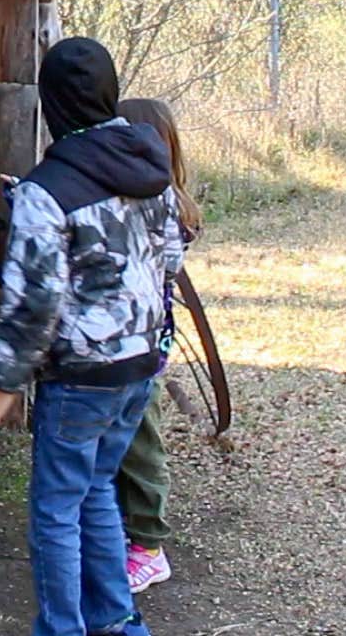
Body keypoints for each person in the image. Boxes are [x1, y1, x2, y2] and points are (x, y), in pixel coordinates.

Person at [0, 38, 186, 636]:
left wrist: (2, 384)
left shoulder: (48, 189)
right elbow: (171, 257)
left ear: (52, 102)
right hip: (141, 364)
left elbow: (34, 300)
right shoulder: (150, 163)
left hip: (82, 377)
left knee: (56, 510)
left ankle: (62, 630)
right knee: (96, 489)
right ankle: (117, 622)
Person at [112, 98, 205, 595]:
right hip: (135, 340)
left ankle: (149, 547)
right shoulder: (160, 201)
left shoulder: (165, 208)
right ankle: (127, 534)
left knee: (142, 444)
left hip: (143, 345)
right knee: (124, 440)